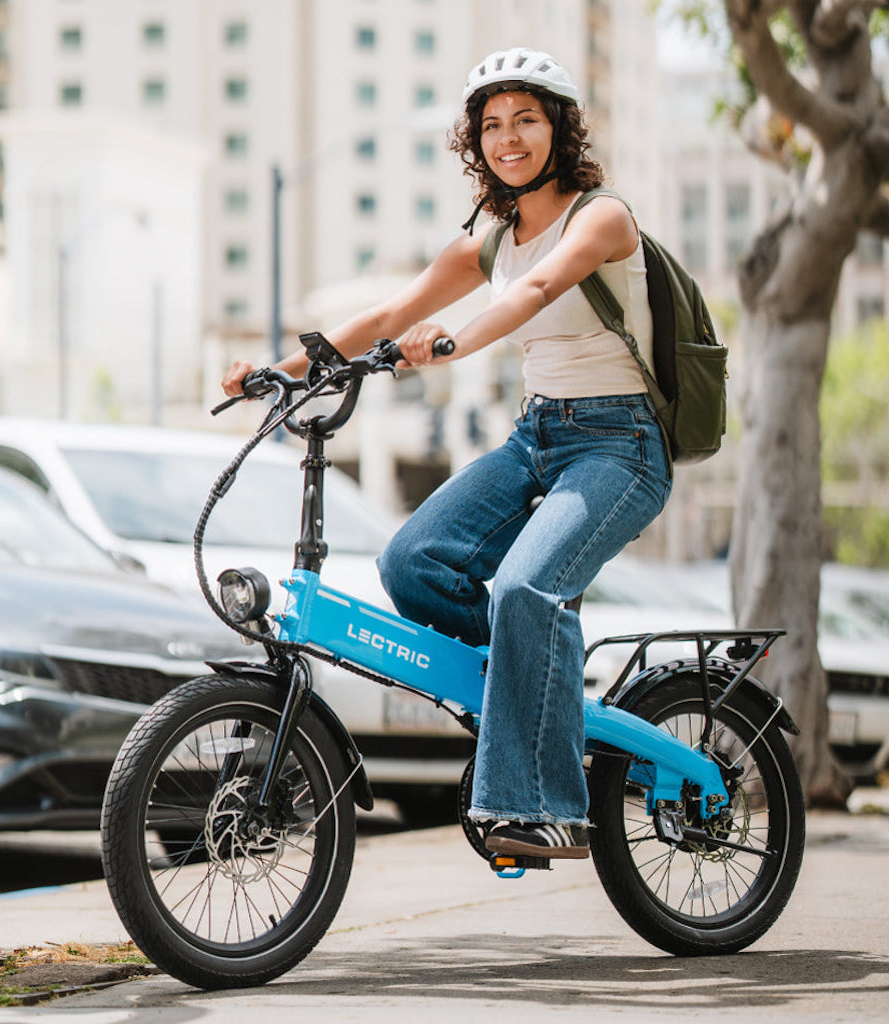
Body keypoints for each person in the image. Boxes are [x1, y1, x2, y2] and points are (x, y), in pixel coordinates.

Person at [222, 47, 672, 859]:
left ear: (559, 128)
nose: (509, 138)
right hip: (539, 436)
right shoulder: (489, 241)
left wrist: (454, 342)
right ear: (477, 143)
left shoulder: (601, 217)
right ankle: (529, 688)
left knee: (528, 589)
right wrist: (275, 375)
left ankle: (537, 803)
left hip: (621, 444)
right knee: (414, 564)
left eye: (526, 119)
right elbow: (388, 311)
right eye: (492, 125)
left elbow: (537, 292)